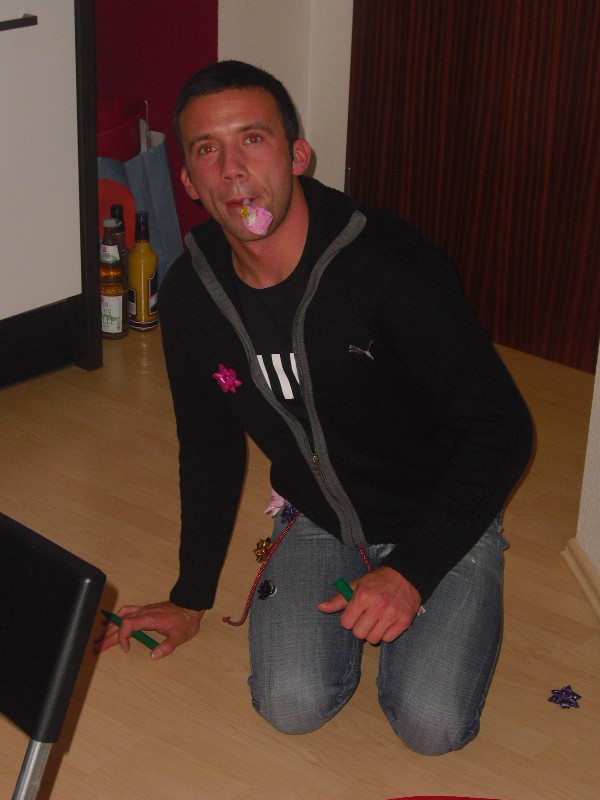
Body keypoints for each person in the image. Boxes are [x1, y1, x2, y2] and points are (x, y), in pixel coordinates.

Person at [97, 60, 533, 755]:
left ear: (298, 155)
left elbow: (503, 431)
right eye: (207, 149)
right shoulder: (190, 296)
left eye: (253, 138)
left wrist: (411, 573)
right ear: (188, 180)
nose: (232, 169)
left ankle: (467, 557)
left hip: (435, 506)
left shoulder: (394, 267)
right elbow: (209, 447)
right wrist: (190, 595)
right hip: (320, 514)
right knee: (290, 705)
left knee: (431, 724)